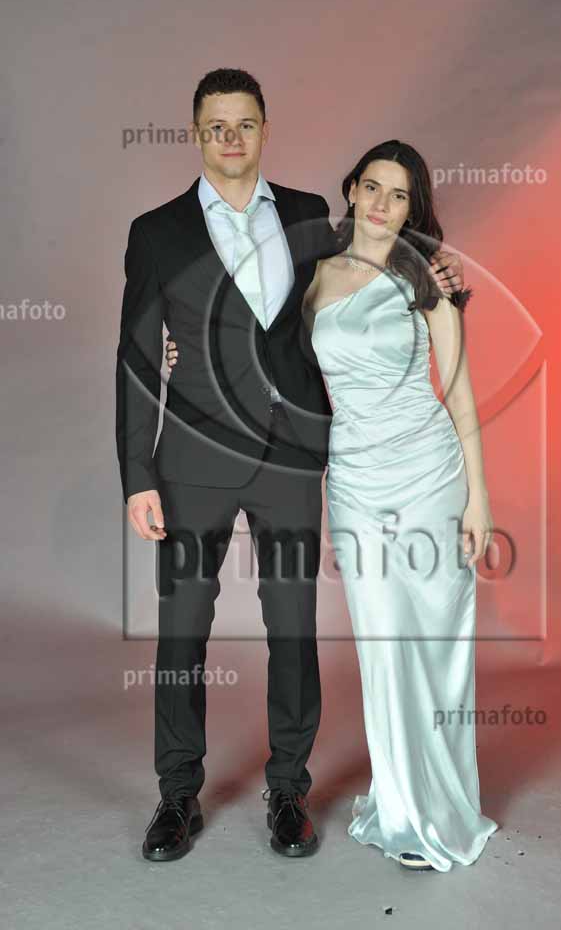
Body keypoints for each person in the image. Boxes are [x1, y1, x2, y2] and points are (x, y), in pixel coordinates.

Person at [115, 68, 465, 863]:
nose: (230, 138)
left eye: (244, 123)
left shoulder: (310, 216)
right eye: (215, 126)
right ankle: (177, 794)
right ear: (195, 134)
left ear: (264, 129)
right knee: (181, 633)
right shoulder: (156, 231)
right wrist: (137, 475)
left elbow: (371, 267)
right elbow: (136, 357)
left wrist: (432, 271)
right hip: (193, 464)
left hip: (291, 462)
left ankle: (288, 791)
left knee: (293, 630)